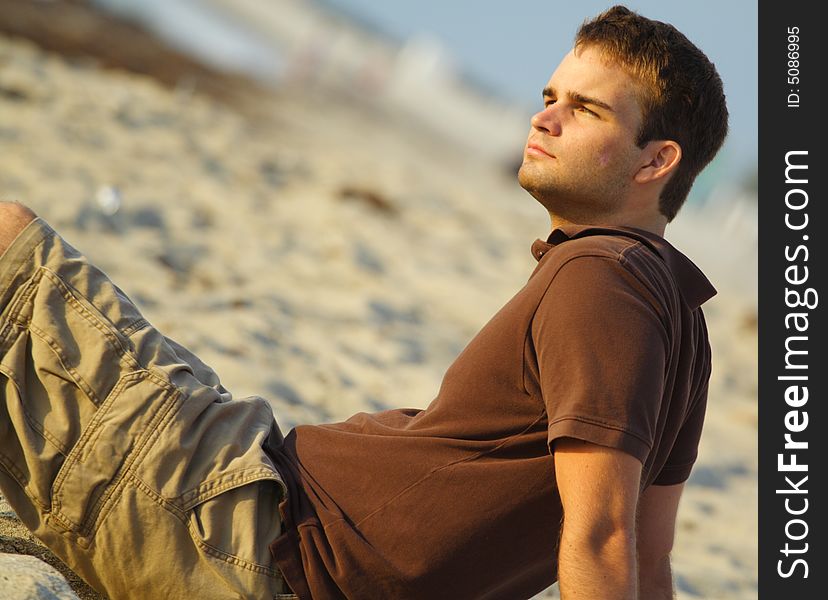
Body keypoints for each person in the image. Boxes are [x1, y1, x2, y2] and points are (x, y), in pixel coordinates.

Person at [0, 5, 727, 600]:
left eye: (585, 110)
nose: (544, 119)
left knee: (9, 241)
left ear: (655, 160)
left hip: (245, 531)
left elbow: (604, 540)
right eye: (547, 98)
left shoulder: (601, 280)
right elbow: (651, 561)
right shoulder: (679, 316)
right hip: (259, 506)